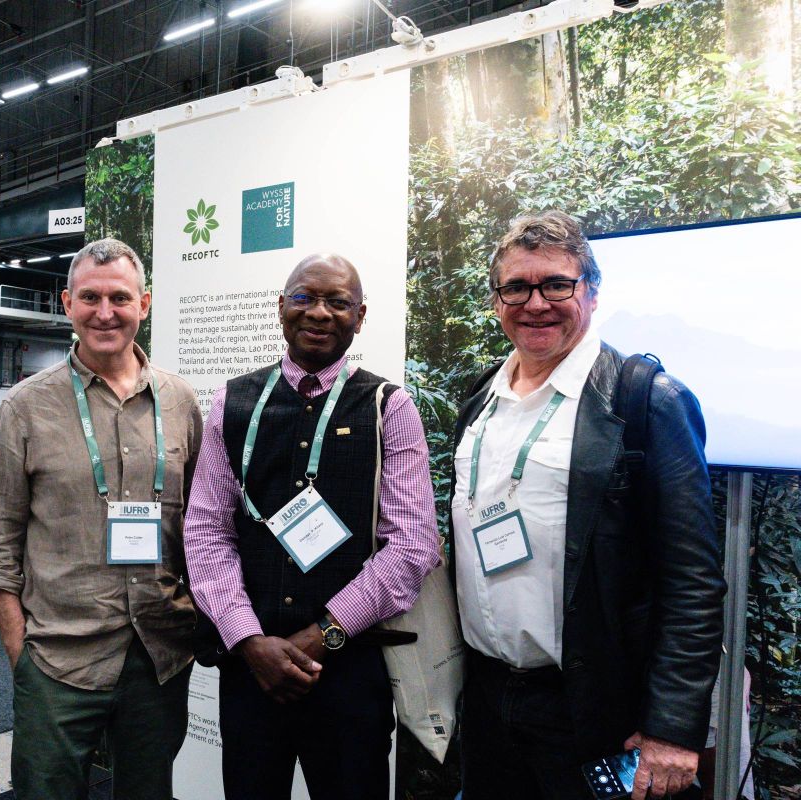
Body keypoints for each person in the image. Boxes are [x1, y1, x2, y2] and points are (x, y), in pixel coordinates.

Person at [450, 211, 725, 800]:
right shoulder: (480, 400)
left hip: (594, 709)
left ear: (592, 294)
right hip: (490, 700)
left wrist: (672, 728)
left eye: (556, 284)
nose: (536, 303)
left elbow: (693, 580)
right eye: (516, 287)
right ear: (497, 299)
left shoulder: (645, 400)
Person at [185, 253, 441, 800]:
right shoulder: (233, 401)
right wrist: (248, 639)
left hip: (349, 675)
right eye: (304, 297)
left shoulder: (387, 407)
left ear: (360, 314)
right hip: (251, 673)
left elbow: (412, 546)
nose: (319, 313)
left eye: (337, 301)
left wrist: (320, 637)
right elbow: (207, 530)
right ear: (281, 307)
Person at [0, 238, 202, 800]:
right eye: (91, 298)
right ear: (67, 302)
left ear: (143, 305)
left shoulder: (181, 402)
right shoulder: (25, 407)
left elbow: (202, 529)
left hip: (158, 653)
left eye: (120, 298)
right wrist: (19, 651)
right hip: (58, 655)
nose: (106, 313)